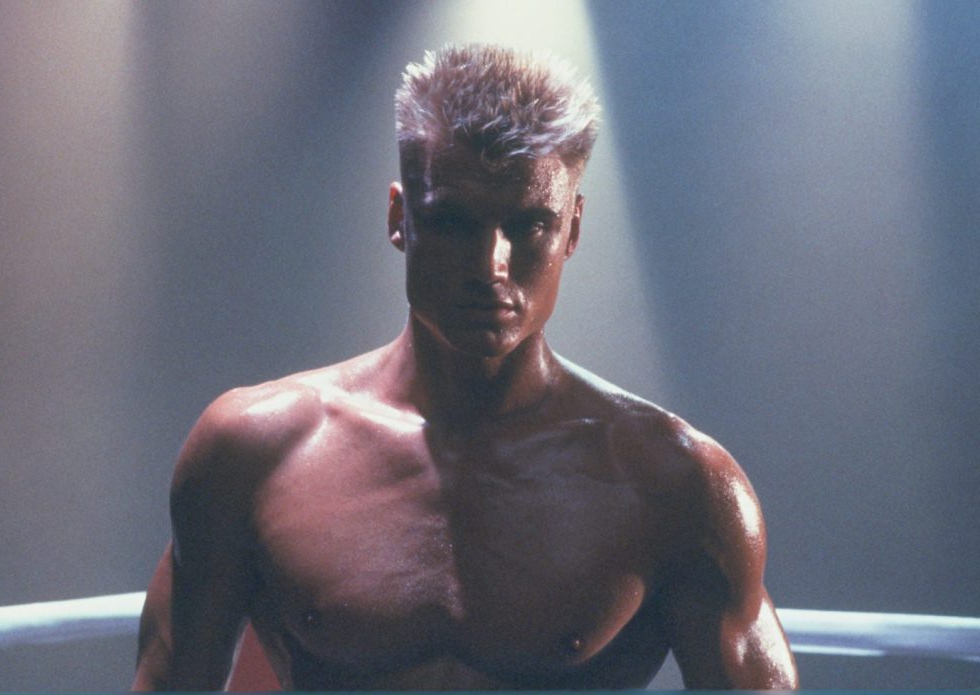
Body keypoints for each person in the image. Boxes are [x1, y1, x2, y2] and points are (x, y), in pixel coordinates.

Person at [132, 44, 798, 690]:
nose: (490, 267)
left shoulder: (676, 482)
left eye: (529, 225)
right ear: (401, 218)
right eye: (453, 222)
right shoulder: (253, 452)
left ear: (571, 229)